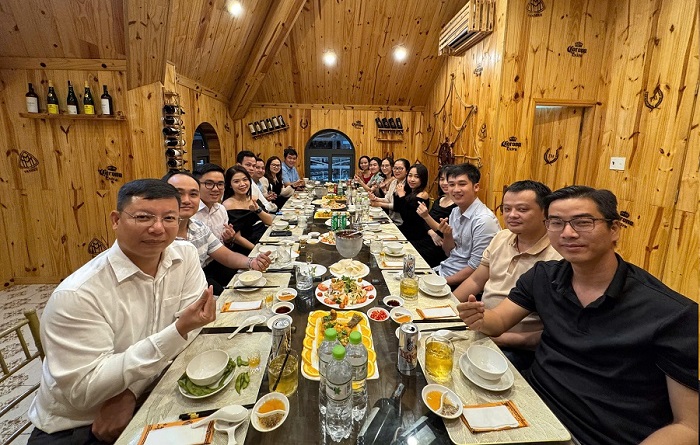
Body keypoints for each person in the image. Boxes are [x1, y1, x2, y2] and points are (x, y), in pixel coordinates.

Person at [457, 186, 698, 445]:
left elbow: (689, 426)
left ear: (614, 229)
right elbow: (498, 321)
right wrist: (479, 318)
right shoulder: (543, 277)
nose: (568, 233)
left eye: (583, 222)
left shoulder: (673, 313)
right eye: (556, 223)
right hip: (527, 407)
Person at [28, 179, 217, 444]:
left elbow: (193, 330)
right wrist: (178, 330)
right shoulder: (77, 294)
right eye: (143, 217)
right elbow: (84, 391)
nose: (158, 228)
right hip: (81, 425)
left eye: (169, 218)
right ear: (116, 220)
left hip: (151, 392)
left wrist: (130, 391)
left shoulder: (184, 256)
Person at [453, 180, 561, 370]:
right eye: (507, 208)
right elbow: (476, 280)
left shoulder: (558, 257)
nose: (512, 215)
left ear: (545, 212)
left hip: (517, 346)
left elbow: (553, 332)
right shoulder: (502, 237)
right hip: (482, 326)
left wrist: (501, 339)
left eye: (522, 209)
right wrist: (448, 308)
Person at [165, 172, 271, 295]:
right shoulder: (158, 236)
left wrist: (251, 262)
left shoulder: (199, 227)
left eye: (193, 194)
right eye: (179, 194)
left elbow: (226, 255)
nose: (186, 200)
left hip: (204, 275)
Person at [435, 162, 500, 286]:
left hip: (462, 283)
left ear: (476, 187)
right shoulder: (455, 212)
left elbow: (476, 268)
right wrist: (447, 235)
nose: (456, 189)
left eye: (462, 184)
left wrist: (440, 282)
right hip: (444, 270)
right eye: (451, 184)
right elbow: (448, 253)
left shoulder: (484, 221)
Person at [192, 163, 239, 292]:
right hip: (196, 271)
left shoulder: (221, 209)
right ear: (196, 185)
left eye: (220, 184)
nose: (215, 189)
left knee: (245, 280)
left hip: (217, 262)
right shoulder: (190, 212)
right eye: (209, 184)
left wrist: (229, 239)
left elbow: (222, 245)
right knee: (222, 296)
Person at [392, 164, 444, 267]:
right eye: (410, 175)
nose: (412, 179)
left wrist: (401, 196)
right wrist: (397, 194)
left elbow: (408, 217)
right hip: (407, 229)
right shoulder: (411, 191)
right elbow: (397, 208)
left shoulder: (422, 195)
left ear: (423, 179)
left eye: (416, 177)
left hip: (416, 233)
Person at [222, 166, 273, 254]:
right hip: (247, 248)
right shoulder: (227, 205)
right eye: (236, 181)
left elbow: (269, 221)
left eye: (245, 179)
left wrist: (257, 210)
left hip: (264, 239)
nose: (242, 184)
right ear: (230, 185)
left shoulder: (253, 198)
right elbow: (237, 238)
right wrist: (257, 250)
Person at [415, 165, 456, 267]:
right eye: (442, 179)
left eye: (448, 180)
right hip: (428, 238)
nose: (444, 183)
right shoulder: (440, 199)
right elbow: (426, 223)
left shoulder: (457, 205)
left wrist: (426, 216)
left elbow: (445, 231)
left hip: (440, 248)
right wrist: (432, 233)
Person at [369, 158, 409, 226]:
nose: (397, 171)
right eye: (395, 168)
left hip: (401, 223)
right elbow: (387, 199)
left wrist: (379, 204)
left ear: (407, 171)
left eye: (400, 168)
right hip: (391, 219)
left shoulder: (407, 185)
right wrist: (375, 198)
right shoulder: (394, 182)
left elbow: (398, 206)